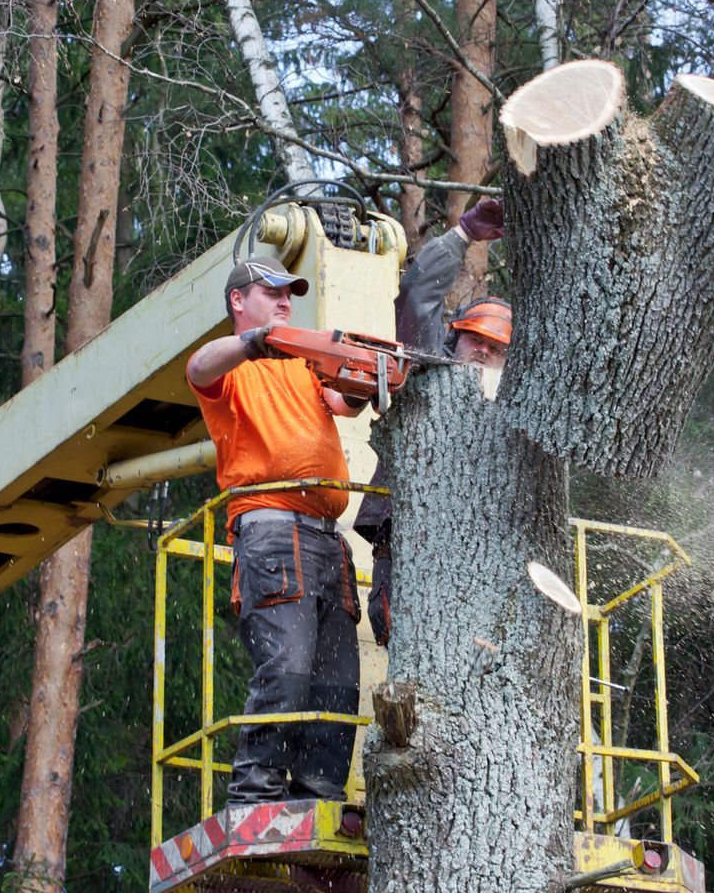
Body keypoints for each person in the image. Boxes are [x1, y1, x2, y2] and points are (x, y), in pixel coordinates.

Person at [186, 257, 368, 805]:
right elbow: (197, 367)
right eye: (272, 291)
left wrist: (362, 378)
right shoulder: (232, 367)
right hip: (270, 530)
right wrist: (254, 342)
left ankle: (318, 790)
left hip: (326, 536)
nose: (286, 299)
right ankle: (254, 791)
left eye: (290, 292)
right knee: (286, 666)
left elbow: (344, 403)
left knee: (338, 678)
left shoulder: (304, 367)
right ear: (239, 300)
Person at [352, 199, 510, 646]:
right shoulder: (426, 370)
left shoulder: (511, 413)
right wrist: (464, 236)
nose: (482, 352)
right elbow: (418, 296)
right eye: (475, 340)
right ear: (452, 337)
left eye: (495, 348)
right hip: (409, 548)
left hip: (476, 562)